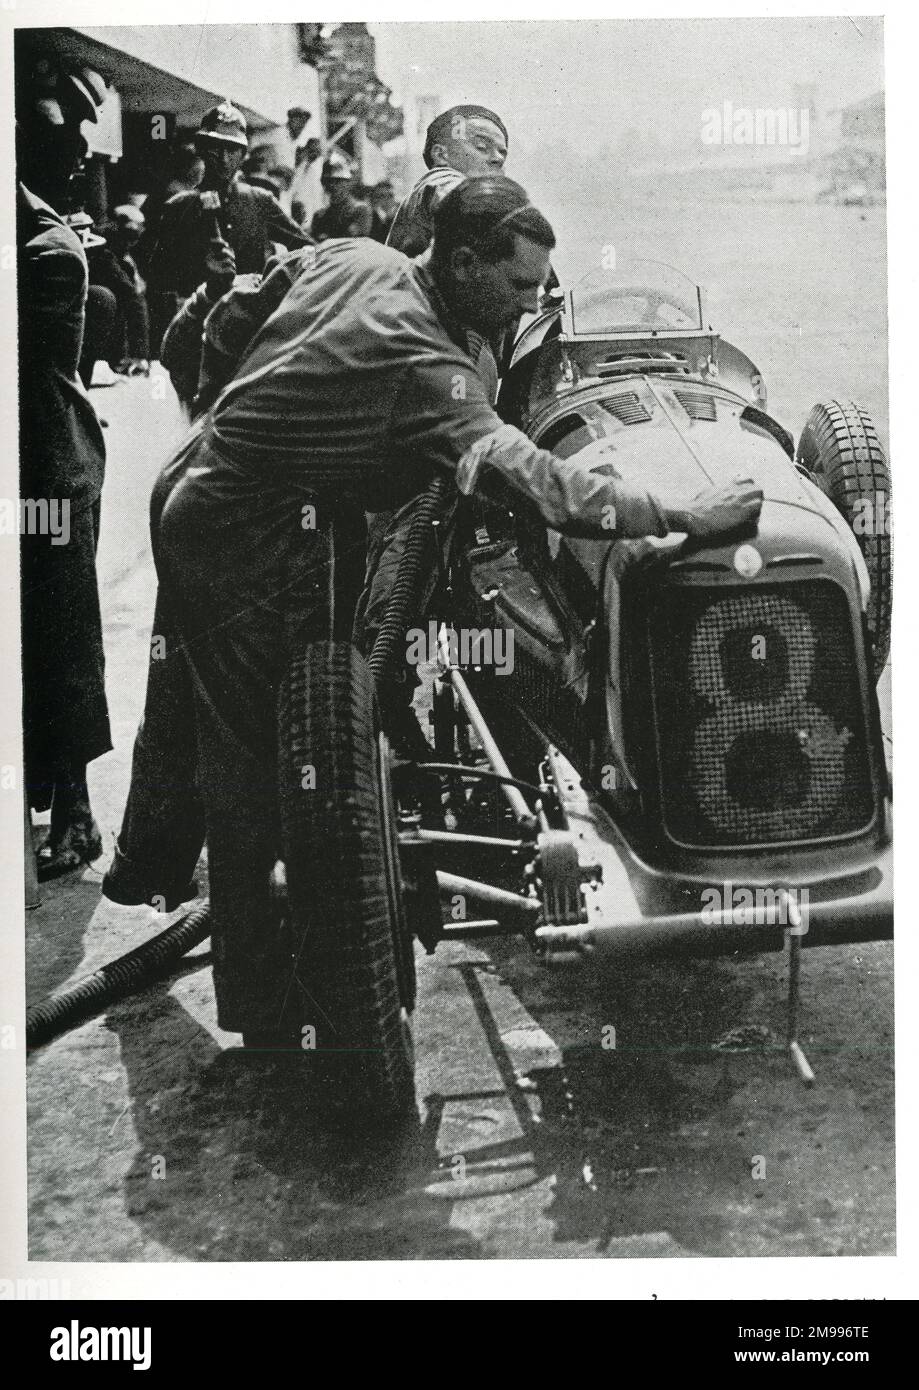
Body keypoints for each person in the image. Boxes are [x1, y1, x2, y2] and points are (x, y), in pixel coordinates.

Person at [140, 175, 762, 1042]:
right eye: (515, 287)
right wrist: (680, 515)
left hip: (205, 481)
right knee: (258, 766)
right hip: (245, 532)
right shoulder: (429, 370)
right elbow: (535, 481)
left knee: (251, 728)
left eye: (541, 289)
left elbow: (243, 307)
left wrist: (237, 407)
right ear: (461, 261)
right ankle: (270, 1007)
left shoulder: (359, 256)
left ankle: (216, 920)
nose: (529, 303)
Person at [16, 58, 112, 878]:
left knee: (57, 634)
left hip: (43, 475)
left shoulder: (46, 245)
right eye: (61, 135)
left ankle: (75, 814)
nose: (80, 150)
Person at [144, 100, 310, 354]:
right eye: (215, 148)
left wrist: (274, 279)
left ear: (243, 155)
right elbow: (157, 278)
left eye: (232, 150)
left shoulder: (260, 201)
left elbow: (307, 249)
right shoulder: (179, 207)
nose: (223, 158)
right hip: (195, 326)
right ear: (201, 149)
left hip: (247, 330)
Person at [386, 104, 509, 256]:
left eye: (502, 153)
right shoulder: (442, 178)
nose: (498, 158)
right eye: (482, 146)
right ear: (441, 155)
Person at [308, 152, 360, 241]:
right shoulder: (320, 216)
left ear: (348, 183)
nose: (332, 186)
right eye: (329, 181)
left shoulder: (359, 211)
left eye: (338, 181)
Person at [290, 137, 324, 227]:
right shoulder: (295, 166)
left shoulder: (312, 171)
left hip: (307, 218)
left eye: (317, 154)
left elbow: (316, 197)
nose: (314, 157)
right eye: (312, 152)